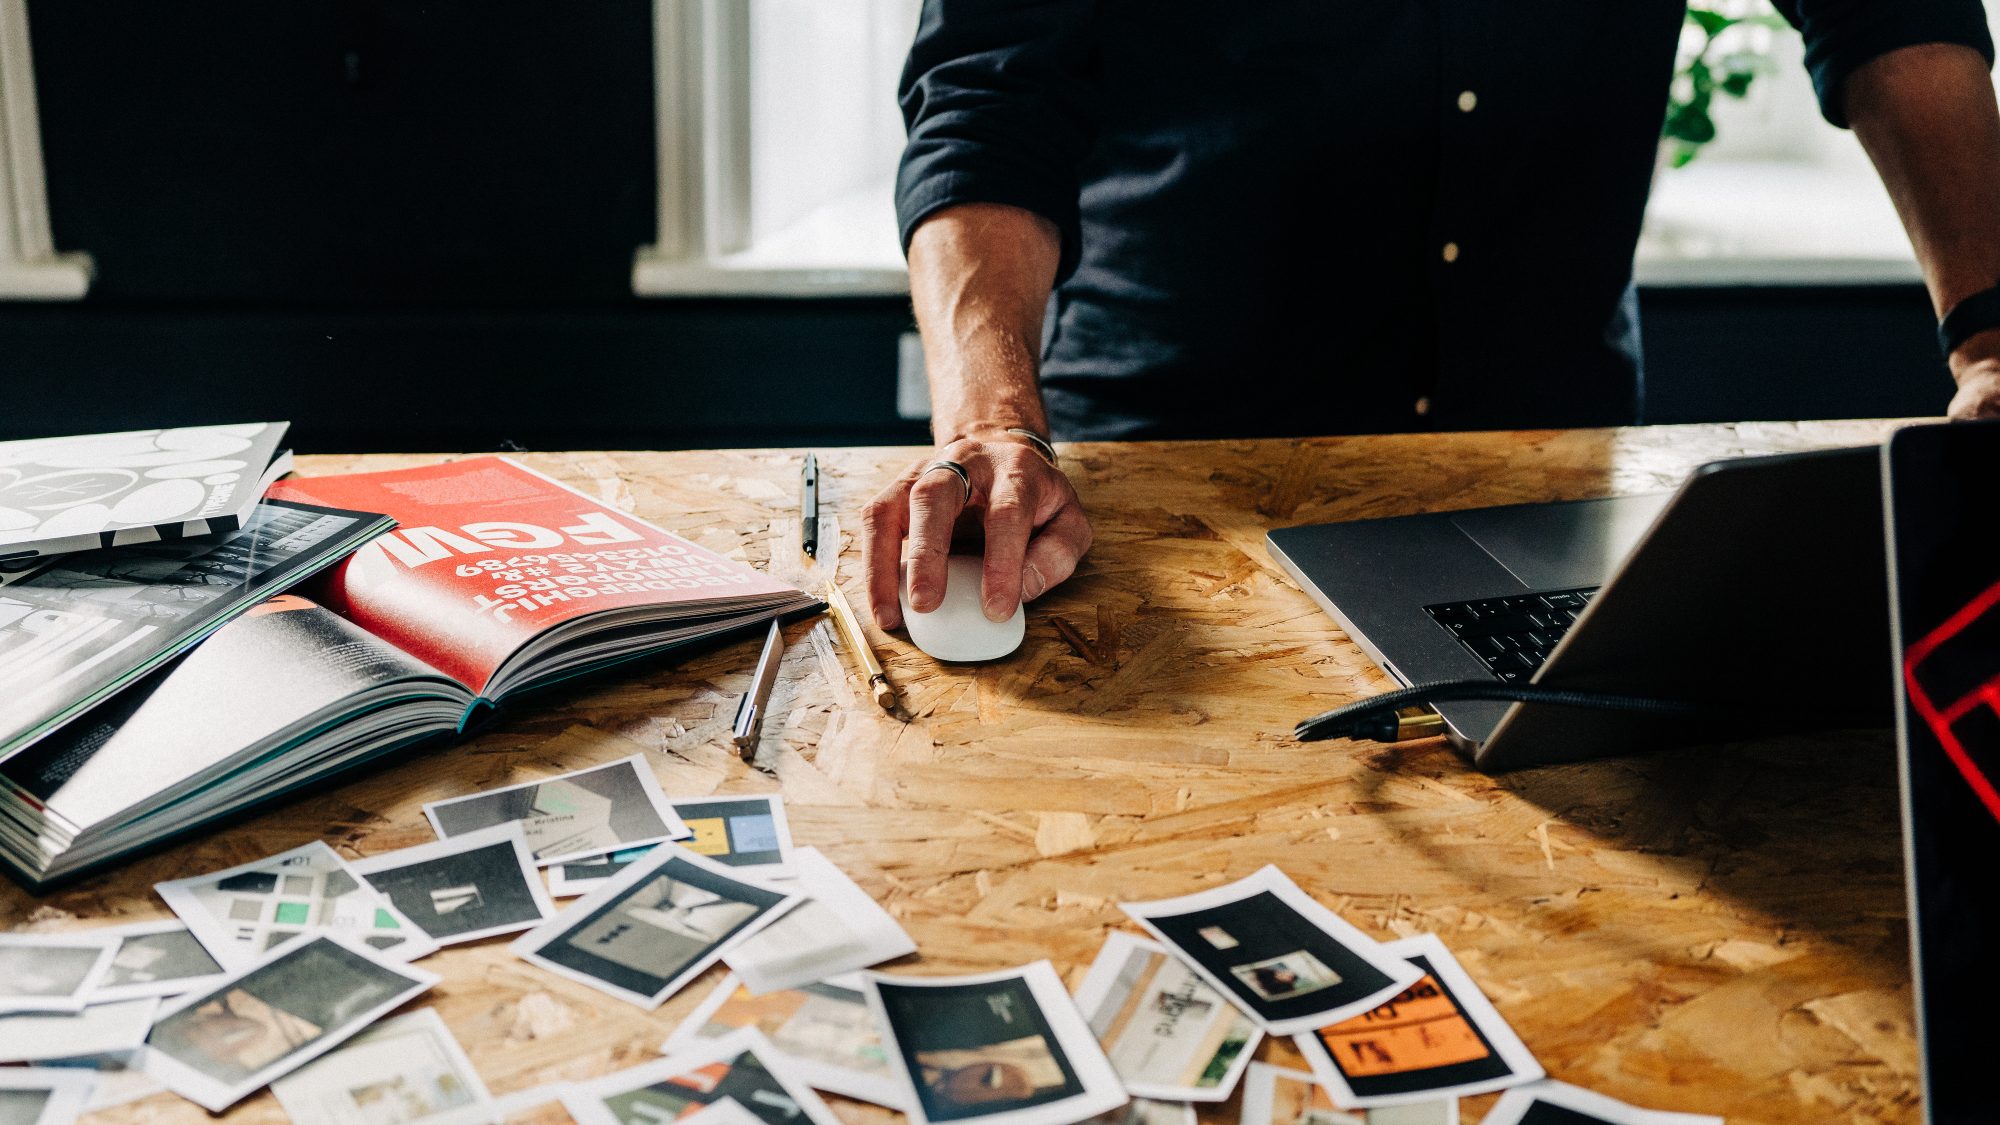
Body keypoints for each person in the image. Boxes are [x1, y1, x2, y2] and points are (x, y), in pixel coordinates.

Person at [862, 1, 2000, 634]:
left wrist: (1991, 342)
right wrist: (991, 423)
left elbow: (1890, 7)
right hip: (1164, 485)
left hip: (1547, 469)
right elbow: (988, 99)